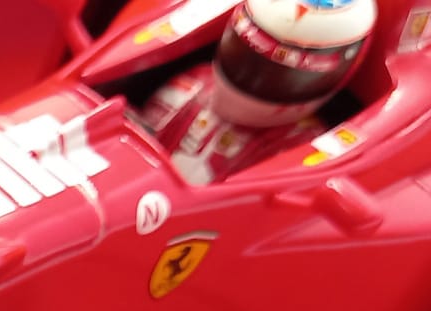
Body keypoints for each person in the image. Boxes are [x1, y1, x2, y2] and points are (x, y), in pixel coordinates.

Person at [138, 0, 378, 184]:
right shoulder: (190, 84)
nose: (253, 77)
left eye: (279, 74)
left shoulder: (303, 151)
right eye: (245, 54)